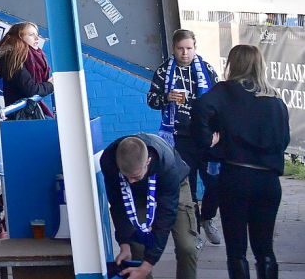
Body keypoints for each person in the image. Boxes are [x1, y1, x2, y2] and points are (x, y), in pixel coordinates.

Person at [191, 45, 290, 279]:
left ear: (232, 64)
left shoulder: (225, 92)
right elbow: (283, 141)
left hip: (236, 176)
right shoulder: (275, 100)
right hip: (268, 181)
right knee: (265, 249)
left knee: (236, 251)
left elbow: (200, 108)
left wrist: (209, 142)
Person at [147, 29, 221, 244]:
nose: (185, 53)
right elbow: (151, 100)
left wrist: (219, 132)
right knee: (188, 187)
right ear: (174, 48)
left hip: (206, 137)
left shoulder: (206, 69)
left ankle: (208, 218)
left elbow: (219, 101)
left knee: (215, 182)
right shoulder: (164, 71)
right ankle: (194, 232)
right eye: (181, 48)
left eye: (189, 48)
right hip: (179, 137)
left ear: (195, 48)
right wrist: (166, 97)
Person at [100, 134, 200, 279]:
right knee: (137, 245)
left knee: (187, 246)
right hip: (134, 195)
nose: (131, 181)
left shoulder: (165, 162)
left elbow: (166, 215)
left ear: (148, 161)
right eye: (126, 176)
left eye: (136, 177)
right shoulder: (109, 161)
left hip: (174, 186)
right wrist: (124, 243)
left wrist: (148, 264)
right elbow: (117, 205)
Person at [0, 22, 55, 114]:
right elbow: (31, 90)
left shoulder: (37, 56)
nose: (37, 38)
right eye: (31, 35)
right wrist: (51, 85)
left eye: (37, 35)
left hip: (31, 111)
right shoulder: (13, 59)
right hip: (22, 115)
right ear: (19, 38)